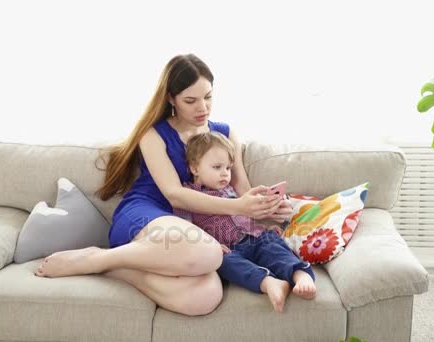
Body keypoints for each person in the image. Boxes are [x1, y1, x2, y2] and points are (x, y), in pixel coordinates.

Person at [34, 53, 294, 316]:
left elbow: (241, 191)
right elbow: (175, 196)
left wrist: (267, 207)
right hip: (148, 213)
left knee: (206, 297)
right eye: (190, 101)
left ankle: (115, 269)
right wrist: (240, 206)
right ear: (171, 98)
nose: (202, 108)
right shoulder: (154, 134)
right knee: (208, 253)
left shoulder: (224, 132)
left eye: (208, 96)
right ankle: (96, 258)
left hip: (191, 228)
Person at [174, 131, 316, 313]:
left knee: (274, 247)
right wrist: (210, 245)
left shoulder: (231, 190)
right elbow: (186, 229)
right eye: (217, 167)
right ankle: (269, 283)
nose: (225, 174)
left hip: (255, 236)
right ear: (195, 169)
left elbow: (246, 215)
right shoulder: (188, 197)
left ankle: (301, 275)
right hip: (226, 248)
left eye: (228, 168)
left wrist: (266, 225)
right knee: (224, 263)